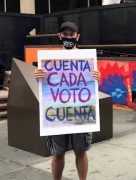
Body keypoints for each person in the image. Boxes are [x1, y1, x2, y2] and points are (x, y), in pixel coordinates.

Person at [34, 21, 101, 180]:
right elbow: (47, 88)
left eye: (72, 34)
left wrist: (97, 78)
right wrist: (39, 78)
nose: (68, 37)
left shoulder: (88, 60)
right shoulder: (49, 61)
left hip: (80, 112)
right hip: (57, 113)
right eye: (65, 34)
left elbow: (91, 87)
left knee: (81, 151)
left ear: (78, 36)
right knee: (57, 153)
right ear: (60, 36)